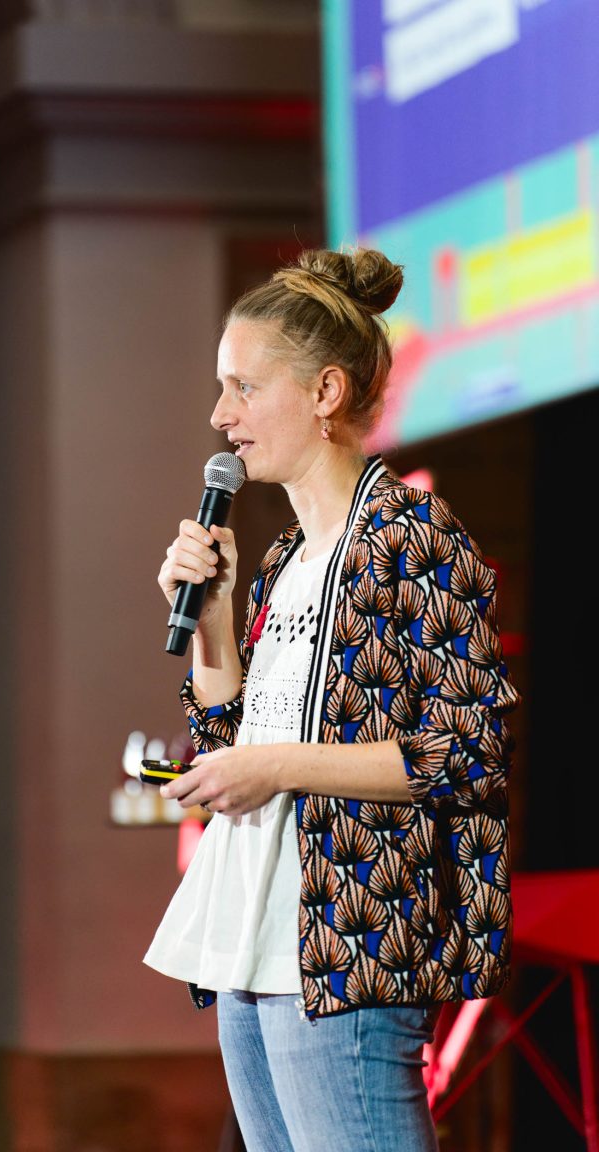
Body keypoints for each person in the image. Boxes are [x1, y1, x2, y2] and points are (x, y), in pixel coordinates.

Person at [144, 247, 520, 1152]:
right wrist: (215, 621)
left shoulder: (411, 538)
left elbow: (463, 753)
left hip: (348, 944)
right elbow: (222, 732)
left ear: (323, 393)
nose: (219, 414)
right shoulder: (280, 561)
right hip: (251, 942)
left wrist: (273, 767)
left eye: (242, 387)